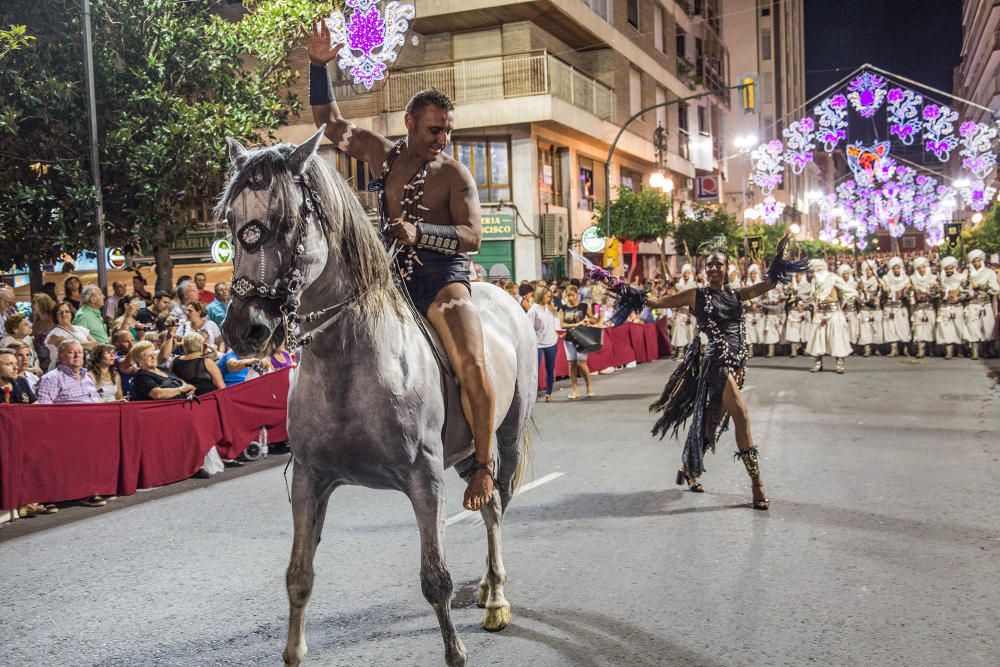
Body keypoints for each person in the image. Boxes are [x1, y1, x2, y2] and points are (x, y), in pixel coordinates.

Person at [305, 21, 500, 510]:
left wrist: (423, 233)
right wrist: (317, 67)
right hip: (390, 281)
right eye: (435, 129)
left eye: (448, 130)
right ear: (411, 123)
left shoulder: (454, 174)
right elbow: (330, 124)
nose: (443, 138)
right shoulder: (380, 154)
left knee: (473, 361)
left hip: (442, 282)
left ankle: (483, 464)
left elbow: (473, 237)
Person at [646, 233, 802, 510]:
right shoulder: (695, 295)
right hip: (716, 364)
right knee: (741, 414)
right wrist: (620, 288)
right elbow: (656, 303)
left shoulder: (736, 295)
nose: (714, 269)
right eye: (710, 266)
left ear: (727, 268)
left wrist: (778, 256)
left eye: (719, 265)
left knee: (712, 420)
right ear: (704, 270)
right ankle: (757, 485)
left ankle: (688, 467)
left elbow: (768, 283)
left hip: (738, 364)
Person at [805, 259, 856, 374]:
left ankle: (839, 364)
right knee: (818, 337)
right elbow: (811, 295)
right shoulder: (814, 281)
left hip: (833, 312)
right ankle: (818, 363)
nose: (814, 272)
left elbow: (848, 291)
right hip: (820, 312)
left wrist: (846, 300)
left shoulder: (833, 278)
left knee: (836, 337)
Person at [558, 285, 595, 400]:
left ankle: (589, 386)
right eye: (568, 295)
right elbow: (562, 324)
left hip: (582, 337)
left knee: (581, 363)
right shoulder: (563, 308)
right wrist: (575, 324)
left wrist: (588, 321)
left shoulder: (584, 306)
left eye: (572, 295)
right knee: (572, 364)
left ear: (577, 295)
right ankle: (575, 390)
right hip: (569, 338)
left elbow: (593, 318)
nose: (570, 298)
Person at [129, 340, 196, 401]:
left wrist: (189, 390)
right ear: (139, 361)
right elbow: (157, 394)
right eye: (149, 356)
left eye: (154, 354)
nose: (154, 357)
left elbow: (182, 383)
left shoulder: (162, 369)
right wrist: (181, 390)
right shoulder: (141, 376)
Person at [526, 285, 559, 402]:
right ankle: (531, 394)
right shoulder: (533, 311)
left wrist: (558, 331)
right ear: (540, 295)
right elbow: (529, 329)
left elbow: (556, 323)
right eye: (547, 295)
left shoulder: (550, 308)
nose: (549, 297)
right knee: (534, 370)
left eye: (550, 296)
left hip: (552, 342)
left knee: (550, 369)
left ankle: (549, 393)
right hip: (538, 344)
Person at [964, 249, 999, 360]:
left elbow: (996, 289)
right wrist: (968, 289)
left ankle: (987, 350)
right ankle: (975, 351)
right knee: (973, 328)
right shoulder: (967, 273)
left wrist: (981, 287)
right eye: (974, 261)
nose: (976, 263)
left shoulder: (989, 273)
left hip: (985, 304)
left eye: (978, 261)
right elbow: (963, 289)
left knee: (988, 328)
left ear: (981, 260)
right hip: (972, 304)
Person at [44, 302, 97, 369]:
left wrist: (79, 345)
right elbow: (70, 348)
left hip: (83, 366)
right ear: (56, 316)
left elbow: (95, 344)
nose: (64, 314)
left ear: (71, 313)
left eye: (67, 311)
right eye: (60, 312)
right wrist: (87, 345)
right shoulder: (54, 334)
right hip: (63, 368)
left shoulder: (80, 329)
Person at [936, 256, 967, 360]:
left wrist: (959, 297)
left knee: (959, 328)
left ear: (954, 268)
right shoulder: (941, 279)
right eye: (946, 269)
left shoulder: (961, 278)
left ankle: (960, 349)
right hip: (945, 307)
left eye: (950, 268)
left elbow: (967, 292)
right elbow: (935, 293)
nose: (948, 270)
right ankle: (949, 351)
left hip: (957, 307)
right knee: (946, 329)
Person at [881, 257, 911, 357]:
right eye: (894, 268)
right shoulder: (886, 278)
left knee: (903, 327)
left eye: (898, 268)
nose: (896, 270)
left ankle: (905, 349)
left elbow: (908, 293)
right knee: (890, 328)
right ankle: (894, 349)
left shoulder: (906, 278)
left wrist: (905, 292)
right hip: (889, 307)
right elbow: (884, 291)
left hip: (900, 307)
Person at [909, 257, 937, 358]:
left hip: (929, 306)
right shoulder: (912, 279)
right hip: (918, 307)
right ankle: (920, 349)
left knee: (930, 327)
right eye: (919, 268)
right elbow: (910, 294)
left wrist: (932, 291)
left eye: (923, 267)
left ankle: (931, 349)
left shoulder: (933, 278)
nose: (921, 270)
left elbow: (936, 294)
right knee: (919, 328)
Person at [669, 264, 698, 359]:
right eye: (685, 273)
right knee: (678, 331)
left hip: (690, 312)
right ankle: (680, 351)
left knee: (690, 333)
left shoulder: (692, 284)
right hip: (680, 312)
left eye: (688, 273)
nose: (686, 275)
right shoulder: (680, 284)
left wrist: (678, 287)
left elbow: (689, 294)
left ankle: (691, 352)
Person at [857, 259, 884, 357]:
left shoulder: (879, 280)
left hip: (876, 307)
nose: (869, 272)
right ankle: (867, 348)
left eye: (871, 270)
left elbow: (884, 292)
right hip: (865, 307)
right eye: (867, 270)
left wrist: (881, 289)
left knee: (876, 328)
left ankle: (877, 348)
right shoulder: (860, 281)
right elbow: (857, 294)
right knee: (865, 328)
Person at [784, 271, 812, 358]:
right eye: (796, 275)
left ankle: (805, 349)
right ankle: (793, 350)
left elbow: (809, 298)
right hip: (793, 311)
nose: (797, 277)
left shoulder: (807, 285)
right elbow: (786, 296)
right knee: (793, 330)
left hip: (803, 311)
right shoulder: (790, 286)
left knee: (805, 330)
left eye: (799, 275)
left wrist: (802, 301)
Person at [742, 263, 765, 357]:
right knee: (749, 331)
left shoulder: (761, 285)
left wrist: (757, 303)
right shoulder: (745, 284)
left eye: (754, 273)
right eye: (751, 273)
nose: (753, 275)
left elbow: (764, 298)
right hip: (749, 311)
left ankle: (760, 348)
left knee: (759, 329)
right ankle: (750, 349)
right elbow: (743, 296)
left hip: (759, 311)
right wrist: (749, 304)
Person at [837, 264, 861, 348]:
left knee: (853, 329)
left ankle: (853, 346)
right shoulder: (839, 285)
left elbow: (858, 297)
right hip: (843, 309)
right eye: (843, 274)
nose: (845, 276)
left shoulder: (855, 284)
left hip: (852, 309)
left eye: (847, 274)